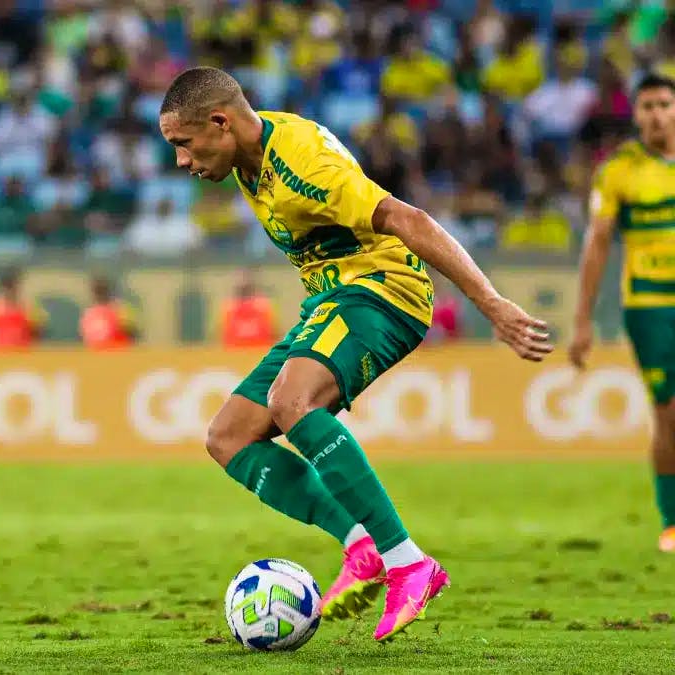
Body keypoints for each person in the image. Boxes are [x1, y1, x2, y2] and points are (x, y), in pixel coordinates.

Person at [158, 67, 551, 642]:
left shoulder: (302, 167)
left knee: (291, 401)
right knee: (229, 437)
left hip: (384, 291)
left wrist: (489, 303)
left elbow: (408, 218)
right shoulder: (248, 158)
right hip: (331, 299)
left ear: (220, 123)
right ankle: (359, 545)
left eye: (183, 145)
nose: (181, 163)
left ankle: (408, 562)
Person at [572, 73, 675, 553]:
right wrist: (582, 321)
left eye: (664, 105)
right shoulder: (619, 171)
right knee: (670, 414)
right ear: (636, 114)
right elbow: (596, 247)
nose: (657, 114)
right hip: (651, 306)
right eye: (648, 106)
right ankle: (672, 522)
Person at [0, 267, 47, 351]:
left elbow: (39, 329)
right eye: (7, 286)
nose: (10, 290)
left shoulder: (28, 305)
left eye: (13, 285)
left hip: (23, 353)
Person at [221, 269, 277, 349]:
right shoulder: (229, 307)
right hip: (235, 352)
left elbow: (273, 332)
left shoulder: (263, 306)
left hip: (259, 351)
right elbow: (224, 335)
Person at [79, 277, 137, 350]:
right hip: (115, 354)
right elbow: (132, 335)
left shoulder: (88, 314)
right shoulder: (119, 309)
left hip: (113, 354)